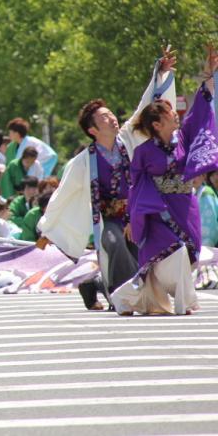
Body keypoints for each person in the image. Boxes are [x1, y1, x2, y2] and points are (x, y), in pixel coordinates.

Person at [38, 48, 177, 311]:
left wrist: (159, 74)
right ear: (92, 130)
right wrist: (46, 229)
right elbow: (63, 194)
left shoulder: (128, 137)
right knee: (114, 243)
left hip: (136, 214)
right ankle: (127, 296)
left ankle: (98, 284)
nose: (112, 117)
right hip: (108, 220)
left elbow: (144, 108)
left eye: (111, 113)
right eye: (104, 117)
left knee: (148, 252)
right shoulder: (83, 162)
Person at [112, 51, 218, 316]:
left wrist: (209, 75)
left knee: (186, 256)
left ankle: (130, 298)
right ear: (157, 124)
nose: (176, 115)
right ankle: (186, 303)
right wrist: (133, 218)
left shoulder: (183, 138)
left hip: (185, 207)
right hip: (157, 213)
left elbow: (199, 112)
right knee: (175, 253)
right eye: (170, 113)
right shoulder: (143, 152)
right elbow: (137, 187)